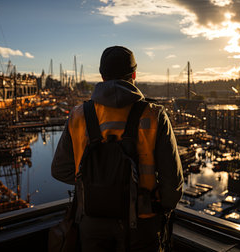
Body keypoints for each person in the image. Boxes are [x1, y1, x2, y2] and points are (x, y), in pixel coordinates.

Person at [51, 46, 183, 252]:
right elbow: (172, 185)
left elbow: (60, 170)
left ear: (102, 76)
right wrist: (156, 206)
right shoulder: (155, 115)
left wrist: (95, 185)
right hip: (142, 224)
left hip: (92, 226)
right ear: (134, 74)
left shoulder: (78, 115)